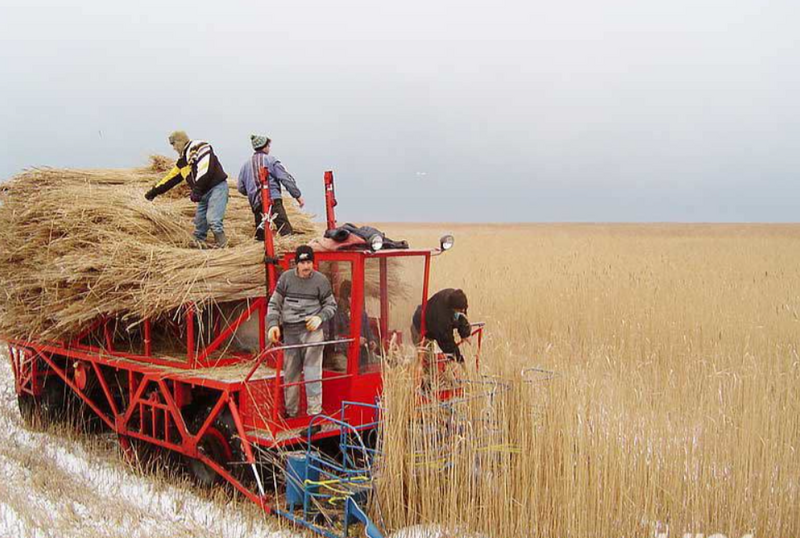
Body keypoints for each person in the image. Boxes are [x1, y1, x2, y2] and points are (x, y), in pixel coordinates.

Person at [267, 245, 337, 419]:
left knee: (313, 373)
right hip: (291, 332)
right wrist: (273, 325)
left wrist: (320, 317)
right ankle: (291, 413)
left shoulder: (321, 281)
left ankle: (315, 415)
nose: (306, 266)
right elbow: (274, 304)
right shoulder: (286, 279)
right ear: (296, 263)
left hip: (312, 332)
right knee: (290, 373)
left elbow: (331, 305)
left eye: (309, 262)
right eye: (303, 262)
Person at [145, 131, 229, 248]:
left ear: (180, 141)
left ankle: (224, 249)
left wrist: (197, 189)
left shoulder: (200, 147)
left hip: (216, 188)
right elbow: (170, 178)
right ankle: (198, 250)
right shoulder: (182, 161)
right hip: (203, 193)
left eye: (174, 144)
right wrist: (154, 192)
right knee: (200, 224)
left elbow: (205, 168)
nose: (174, 148)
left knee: (213, 220)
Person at [237, 134, 304, 240]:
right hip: (273, 200)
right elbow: (285, 179)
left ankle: (264, 253)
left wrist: (252, 192)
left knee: (261, 235)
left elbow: (240, 187)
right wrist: (298, 196)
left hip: (256, 204)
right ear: (265, 147)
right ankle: (289, 249)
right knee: (284, 229)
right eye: (268, 146)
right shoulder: (271, 160)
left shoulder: (245, 166)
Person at [328, 280, 378, 371]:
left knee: (382, 364)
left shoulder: (362, 314)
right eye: (351, 297)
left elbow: (369, 333)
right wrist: (353, 342)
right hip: (341, 354)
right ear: (345, 298)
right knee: (346, 368)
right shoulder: (336, 314)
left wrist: (372, 342)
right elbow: (334, 340)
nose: (356, 300)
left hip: (361, 354)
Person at [411, 288, 471, 362]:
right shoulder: (441, 318)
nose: (464, 311)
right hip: (420, 328)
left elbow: (461, 317)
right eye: (460, 310)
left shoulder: (455, 297)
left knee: (438, 362)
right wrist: (459, 359)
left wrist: (465, 333)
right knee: (429, 364)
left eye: (464, 309)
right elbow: (447, 344)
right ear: (453, 308)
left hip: (432, 324)